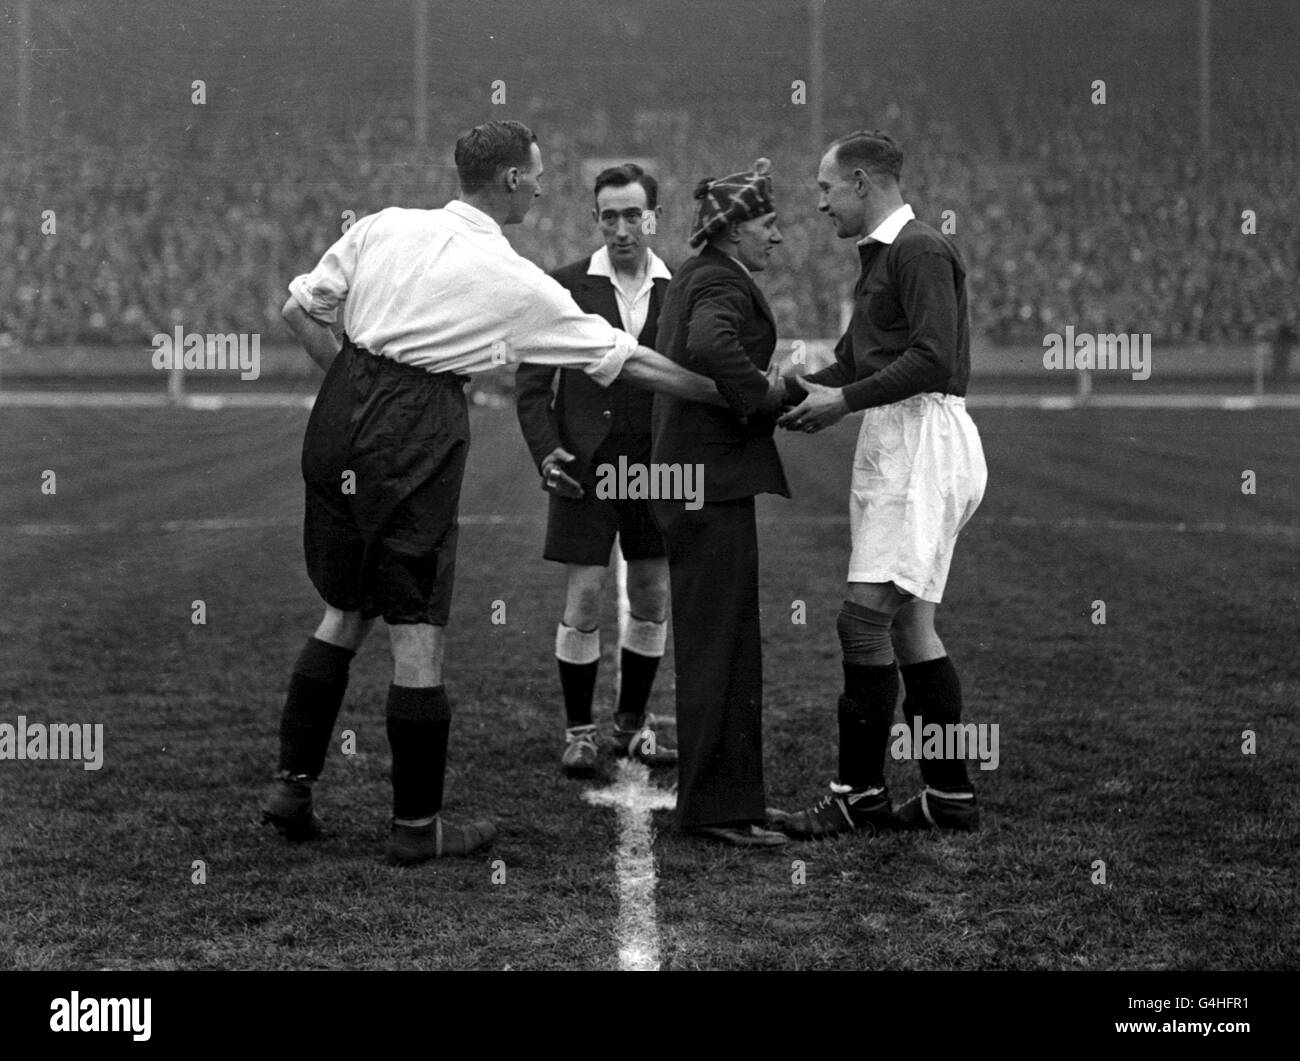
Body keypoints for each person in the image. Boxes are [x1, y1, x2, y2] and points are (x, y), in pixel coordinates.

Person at [261, 120, 727, 865]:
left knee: (344, 610)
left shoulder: (386, 224)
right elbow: (624, 360)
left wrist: (358, 395)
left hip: (341, 410)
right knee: (417, 625)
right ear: (510, 179)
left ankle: (291, 788)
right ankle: (417, 826)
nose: (543, 185)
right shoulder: (512, 277)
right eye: (537, 174)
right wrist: (718, 392)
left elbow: (297, 311)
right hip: (415, 424)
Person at [772, 130, 987, 838]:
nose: (820, 203)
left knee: (863, 617)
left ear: (863, 182)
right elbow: (849, 364)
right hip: (901, 435)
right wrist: (790, 393)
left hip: (921, 438)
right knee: (908, 621)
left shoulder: (918, 248)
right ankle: (948, 794)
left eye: (827, 189)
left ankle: (857, 794)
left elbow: (932, 356)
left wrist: (844, 401)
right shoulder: (880, 258)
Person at [515, 164, 678, 778]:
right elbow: (531, 385)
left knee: (652, 591)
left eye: (633, 214)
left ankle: (632, 724)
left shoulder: (680, 288)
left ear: (653, 218)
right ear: (596, 220)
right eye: (609, 215)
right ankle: (579, 731)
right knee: (584, 596)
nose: (621, 227)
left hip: (658, 467)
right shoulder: (562, 287)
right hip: (586, 465)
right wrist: (546, 450)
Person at [649, 158, 792, 848]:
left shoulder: (697, 274)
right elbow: (710, 342)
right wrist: (766, 394)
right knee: (721, 648)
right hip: (707, 485)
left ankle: (732, 802)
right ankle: (718, 809)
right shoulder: (715, 279)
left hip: (695, 483)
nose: (780, 237)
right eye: (769, 224)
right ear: (735, 230)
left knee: (721, 643)